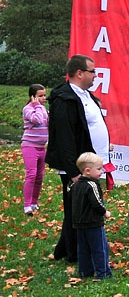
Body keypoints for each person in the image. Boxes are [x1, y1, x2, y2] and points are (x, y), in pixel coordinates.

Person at [47, 54, 111, 263]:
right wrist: (74, 171)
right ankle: (74, 253)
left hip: (89, 165)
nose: (95, 75)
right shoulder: (64, 98)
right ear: (79, 73)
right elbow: (64, 136)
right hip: (77, 167)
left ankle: (64, 250)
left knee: (81, 208)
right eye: (92, 71)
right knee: (77, 210)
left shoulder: (86, 95)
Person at [70, 152, 112, 280]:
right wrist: (104, 212)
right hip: (93, 223)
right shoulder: (92, 185)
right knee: (100, 249)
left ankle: (85, 272)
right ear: (87, 171)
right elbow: (96, 202)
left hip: (79, 223)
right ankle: (103, 273)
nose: (101, 171)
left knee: (83, 249)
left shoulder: (74, 185)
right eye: (99, 169)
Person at [22, 83, 48, 216]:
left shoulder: (42, 109)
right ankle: (27, 206)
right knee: (31, 174)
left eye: (44, 95)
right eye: (40, 96)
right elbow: (37, 120)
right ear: (33, 97)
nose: (43, 98)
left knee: (39, 176)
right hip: (29, 146)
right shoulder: (28, 109)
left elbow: (47, 123)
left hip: (41, 147)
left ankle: (34, 202)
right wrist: (36, 105)